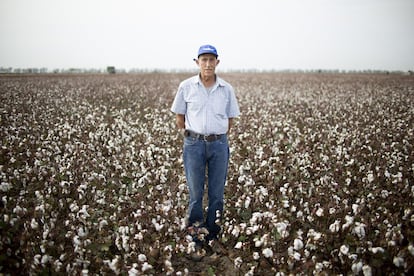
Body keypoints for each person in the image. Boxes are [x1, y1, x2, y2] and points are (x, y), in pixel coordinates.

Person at [171, 44, 240, 257]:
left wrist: (215, 136)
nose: (208, 64)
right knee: (196, 193)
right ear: (197, 62)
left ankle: (213, 234)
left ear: (217, 62)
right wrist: (195, 136)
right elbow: (179, 118)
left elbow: (230, 120)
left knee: (217, 193)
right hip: (193, 144)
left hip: (219, 144)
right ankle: (194, 236)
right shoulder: (186, 86)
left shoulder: (226, 89)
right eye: (204, 60)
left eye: (212, 60)